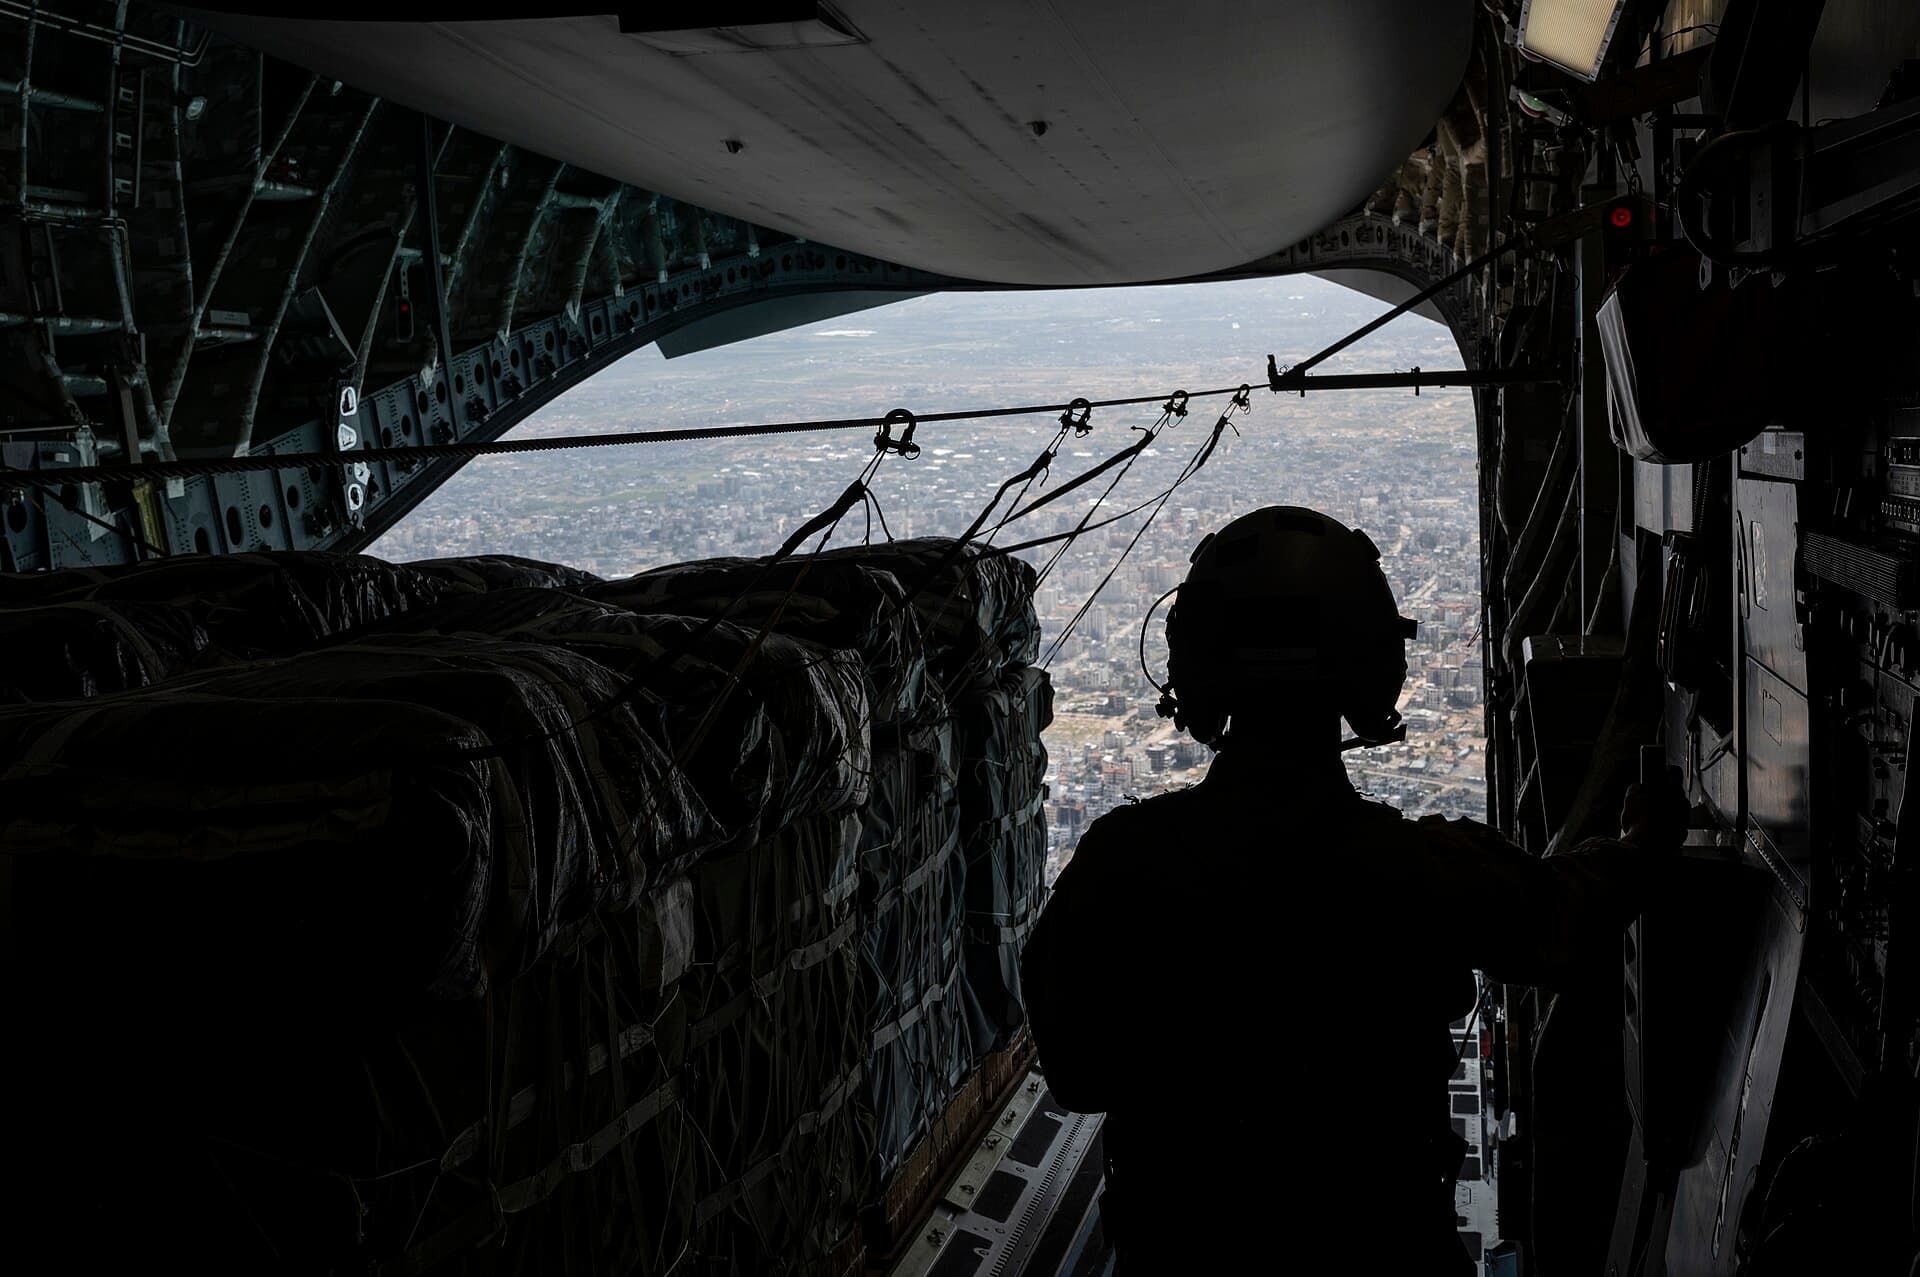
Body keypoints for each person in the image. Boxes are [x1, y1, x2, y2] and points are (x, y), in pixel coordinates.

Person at [1020, 506, 1682, 1273]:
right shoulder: (1421, 867)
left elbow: (1076, 1072)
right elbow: (1566, 915)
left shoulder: (1120, 862)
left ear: (1194, 664)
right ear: (1370, 665)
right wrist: (1643, 841)